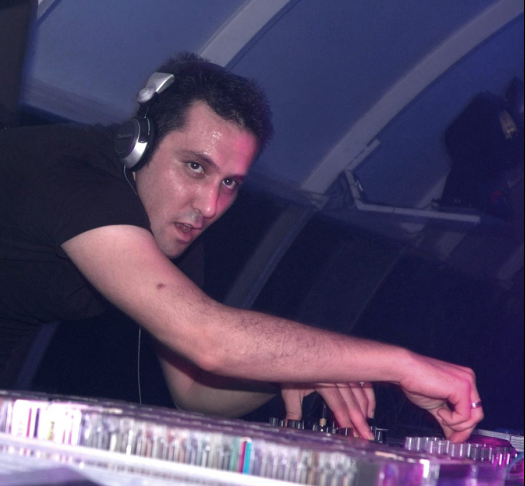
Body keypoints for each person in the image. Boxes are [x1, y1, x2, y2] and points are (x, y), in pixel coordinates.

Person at [0, 52, 483, 442]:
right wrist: (401, 365)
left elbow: (196, 390)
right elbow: (209, 340)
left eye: (229, 182)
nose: (209, 205)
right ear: (137, 143)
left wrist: (295, 371)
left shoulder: (169, 225)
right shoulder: (72, 174)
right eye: (195, 167)